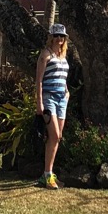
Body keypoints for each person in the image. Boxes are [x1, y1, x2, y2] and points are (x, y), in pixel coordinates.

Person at [35, 23, 70, 190]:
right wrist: (39, 102)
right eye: (56, 36)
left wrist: (67, 93)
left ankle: (47, 174)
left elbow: (63, 78)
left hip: (62, 99)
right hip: (49, 98)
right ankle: (48, 174)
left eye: (62, 36)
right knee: (54, 135)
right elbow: (39, 80)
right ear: (51, 37)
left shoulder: (63, 57)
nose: (59, 39)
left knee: (57, 136)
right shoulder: (46, 54)